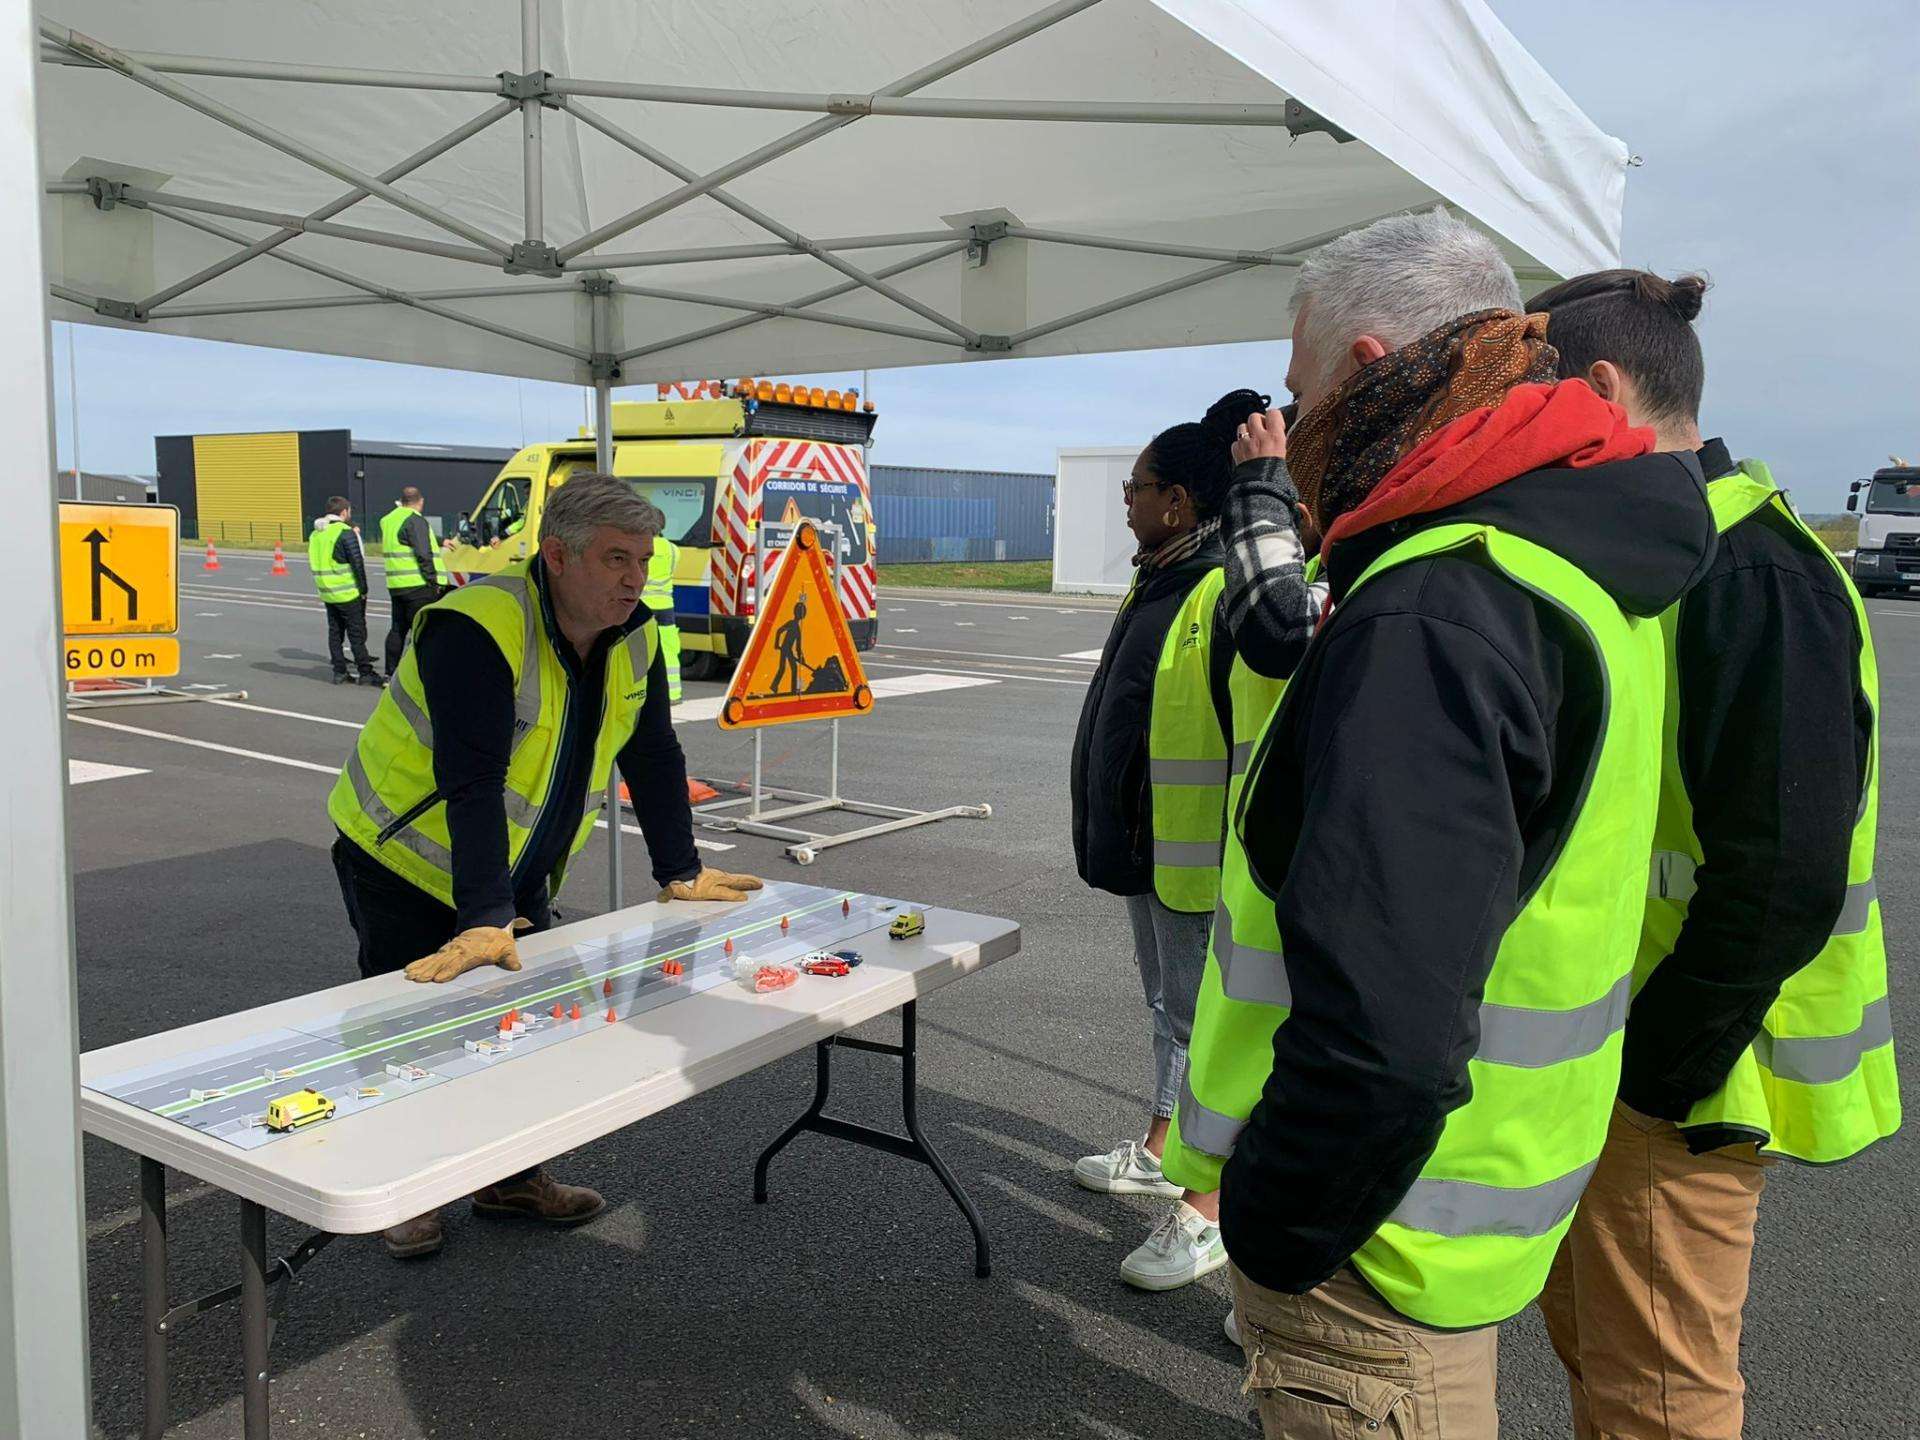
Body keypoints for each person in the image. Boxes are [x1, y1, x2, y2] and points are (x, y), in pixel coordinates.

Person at [1205, 209, 1715, 1438]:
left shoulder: (1438, 601)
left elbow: (1386, 1036)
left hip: (1371, 1252)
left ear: (1368, 369)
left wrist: (1275, 1224)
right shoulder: (1574, 560)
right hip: (1474, 1198)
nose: (1298, 424)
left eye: (1302, 393)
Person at [1528, 270, 1898, 1440]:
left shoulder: (1751, 570)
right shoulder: (1662, 555)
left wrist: (1657, 1073)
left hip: (1683, 1078)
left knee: (1661, 1398)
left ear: (1601, 391)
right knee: (1606, 1361)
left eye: (1529, 406)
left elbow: (1785, 873)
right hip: (1616, 1061)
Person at [327, 473, 765, 1260]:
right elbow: (472, 779)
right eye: (616, 559)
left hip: (514, 870)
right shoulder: (477, 625)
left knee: (515, 1028)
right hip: (401, 860)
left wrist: (680, 867)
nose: (635, 578)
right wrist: (485, 917)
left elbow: (653, 753)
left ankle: (509, 1178)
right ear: (557, 556)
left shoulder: (635, 635)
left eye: (645, 559)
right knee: (407, 1028)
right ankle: (406, 1191)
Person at [1069, 389, 1319, 1292]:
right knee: (1168, 1011)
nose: (1126, 501)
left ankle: (1206, 1207)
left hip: (1200, 863)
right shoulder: (1163, 579)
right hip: (1153, 850)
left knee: (1201, 1024)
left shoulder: (1215, 590)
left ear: (1175, 502)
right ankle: (1162, 1147)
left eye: (1136, 487)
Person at [308, 496, 381, 686]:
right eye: (349, 511)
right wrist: (363, 589)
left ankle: (339, 671)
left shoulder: (316, 534)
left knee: (335, 632)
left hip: (327, 591)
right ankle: (365, 672)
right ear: (343, 512)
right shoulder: (345, 532)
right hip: (347, 591)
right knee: (356, 634)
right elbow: (357, 563)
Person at [380, 485, 452, 677]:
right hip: (418, 586)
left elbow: (406, 539)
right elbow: (423, 553)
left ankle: (390, 673)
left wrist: (441, 540)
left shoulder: (388, 520)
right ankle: (425, 675)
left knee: (397, 630)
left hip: (397, 585)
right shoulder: (415, 519)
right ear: (421, 501)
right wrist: (433, 581)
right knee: (423, 633)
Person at [643, 528, 683, 703]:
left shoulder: (642, 547)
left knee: (642, 649)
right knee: (669, 648)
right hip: (666, 605)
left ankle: (647, 694)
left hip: (644, 605)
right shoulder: (673, 549)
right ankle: (673, 694)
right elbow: (672, 571)